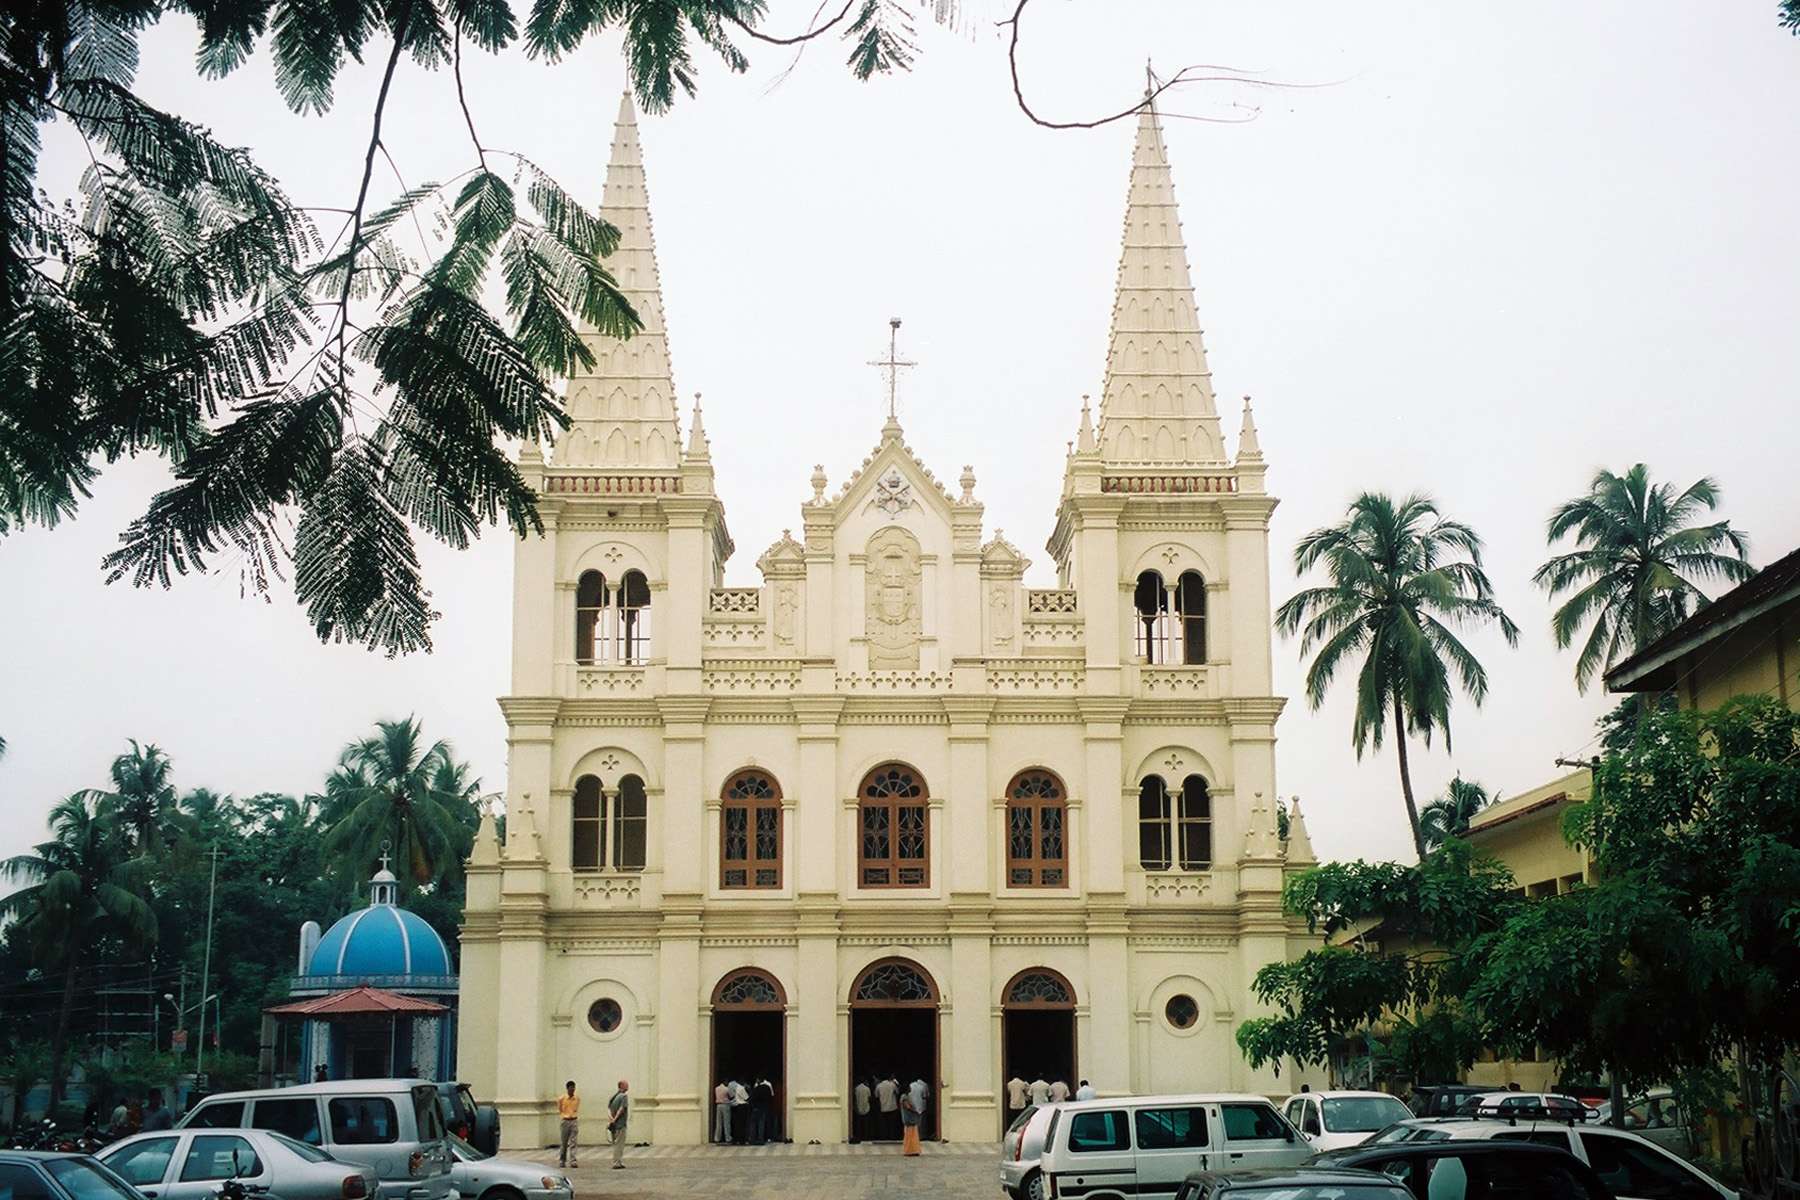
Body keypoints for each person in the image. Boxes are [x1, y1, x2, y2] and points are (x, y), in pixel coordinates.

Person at [606, 1080, 630, 1169]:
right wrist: (615, 1119)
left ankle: (617, 1161)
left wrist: (611, 1120)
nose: (628, 1085)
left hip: (613, 1125)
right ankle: (616, 1162)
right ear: (621, 1086)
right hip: (620, 1124)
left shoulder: (613, 1097)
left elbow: (608, 1109)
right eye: (626, 1084)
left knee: (615, 1143)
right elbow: (622, 1109)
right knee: (619, 1144)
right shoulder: (624, 1096)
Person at [556, 1080, 580, 1169]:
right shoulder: (561, 1099)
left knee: (573, 1141)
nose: (572, 1090)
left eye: (574, 1088)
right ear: (567, 1089)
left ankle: (573, 1160)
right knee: (564, 1142)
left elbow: (576, 1108)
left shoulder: (577, 1098)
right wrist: (564, 1115)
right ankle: (562, 1160)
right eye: (571, 1088)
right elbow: (560, 1109)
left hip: (574, 1120)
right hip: (565, 1120)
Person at [875, 1073, 900, 1141]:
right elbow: (898, 1092)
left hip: (883, 1108)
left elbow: (876, 1096)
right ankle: (892, 1137)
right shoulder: (892, 1085)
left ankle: (884, 1137)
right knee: (892, 1124)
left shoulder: (878, 1086)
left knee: (883, 1124)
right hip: (892, 1107)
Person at [750, 1075, 773, 1144]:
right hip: (765, 1106)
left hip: (756, 1107)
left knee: (753, 1123)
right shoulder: (767, 1087)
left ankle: (753, 1139)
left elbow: (753, 1098)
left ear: (759, 1080)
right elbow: (771, 1096)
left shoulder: (757, 1088)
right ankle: (761, 1138)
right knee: (762, 1123)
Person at [898, 1088, 921, 1156]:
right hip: (909, 1119)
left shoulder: (906, 1096)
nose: (911, 1088)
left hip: (911, 1119)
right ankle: (909, 1150)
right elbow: (908, 1106)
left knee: (913, 1136)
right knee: (909, 1136)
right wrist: (915, 1110)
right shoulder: (904, 1097)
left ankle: (914, 1150)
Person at [853, 1077, 873, 1142]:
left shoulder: (856, 1088)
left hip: (858, 1109)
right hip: (866, 1109)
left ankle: (859, 1137)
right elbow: (869, 1098)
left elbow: (854, 1098)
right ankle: (866, 1137)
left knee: (859, 1125)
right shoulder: (867, 1089)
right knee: (866, 1125)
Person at [730, 1078, 750, 1144]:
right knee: (742, 1124)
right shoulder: (741, 1088)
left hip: (738, 1106)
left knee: (738, 1123)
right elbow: (746, 1098)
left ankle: (737, 1139)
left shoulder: (737, 1088)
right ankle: (742, 1140)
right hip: (742, 1106)